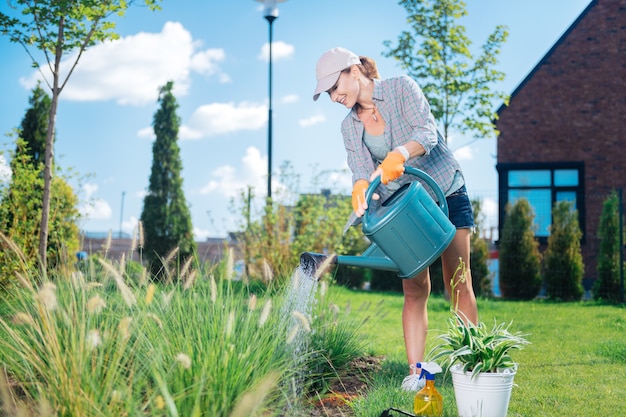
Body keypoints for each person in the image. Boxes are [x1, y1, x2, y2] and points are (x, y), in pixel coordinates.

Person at [313, 47, 479, 391]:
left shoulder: (401, 88)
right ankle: (416, 373)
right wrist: (360, 185)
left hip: (445, 188)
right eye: (328, 92)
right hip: (405, 207)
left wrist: (401, 153)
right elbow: (361, 169)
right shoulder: (348, 127)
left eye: (334, 87)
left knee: (457, 282)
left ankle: (470, 366)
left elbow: (427, 133)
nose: (333, 97)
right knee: (414, 287)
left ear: (354, 71)